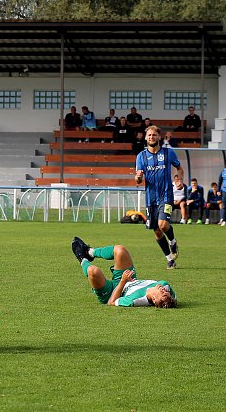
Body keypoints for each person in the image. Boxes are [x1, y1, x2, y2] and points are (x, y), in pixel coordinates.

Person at [70, 238, 177, 308]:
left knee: (92, 271)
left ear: (153, 300)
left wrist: (123, 281)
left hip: (112, 293)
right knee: (120, 250)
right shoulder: (165, 286)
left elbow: (111, 302)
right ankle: (90, 252)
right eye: (166, 292)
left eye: (162, 293)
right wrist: (167, 298)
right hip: (128, 278)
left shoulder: (135, 300)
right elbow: (171, 301)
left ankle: (82, 259)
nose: (164, 290)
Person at [135, 125, 184, 270]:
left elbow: (179, 168)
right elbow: (138, 180)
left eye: (154, 135)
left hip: (166, 195)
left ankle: (173, 241)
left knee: (163, 225)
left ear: (159, 137)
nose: (151, 137)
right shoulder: (141, 156)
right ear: (145, 138)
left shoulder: (168, 153)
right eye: (149, 135)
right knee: (157, 231)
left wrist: (179, 180)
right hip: (151, 199)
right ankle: (169, 259)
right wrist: (138, 177)